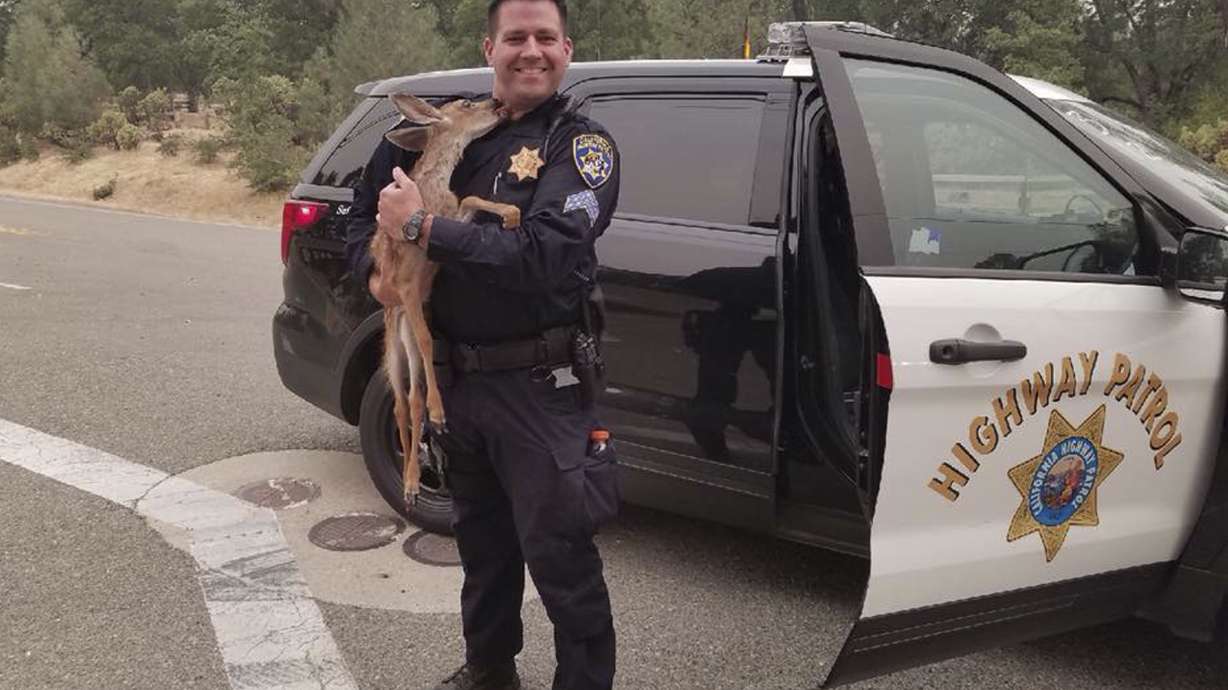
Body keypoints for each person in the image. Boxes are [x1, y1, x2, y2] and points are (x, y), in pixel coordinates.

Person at [344, 1, 621, 688]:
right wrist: (374, 274)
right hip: (457, 384)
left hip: (540, 390)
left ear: (567, 49)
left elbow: (547, 253)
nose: (532, 51)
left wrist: (424, 233)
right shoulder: (440, 130)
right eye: (516, 38)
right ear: (490, 47)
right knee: (483, 548)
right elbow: (357, 211)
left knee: (561, 560)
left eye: (546, 38)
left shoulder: (579, 147)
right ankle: (489, 672)